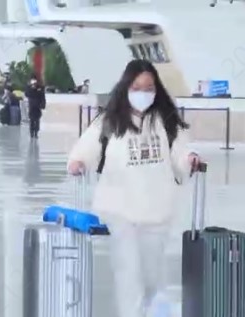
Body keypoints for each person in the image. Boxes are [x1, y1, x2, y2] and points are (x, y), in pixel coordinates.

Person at [67, 59, 201, 317]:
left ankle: (152, 311)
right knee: (128, 272)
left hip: (156, 209)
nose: (143, 93)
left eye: (149, 88)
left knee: (152, 275)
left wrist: (190, 159)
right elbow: (86, 148)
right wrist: (78, 161)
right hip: (120, 210)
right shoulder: (110, 120)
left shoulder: (166, 120)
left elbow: (181, 151)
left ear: (157, 89)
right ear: (126, 87)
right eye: (137, 87)